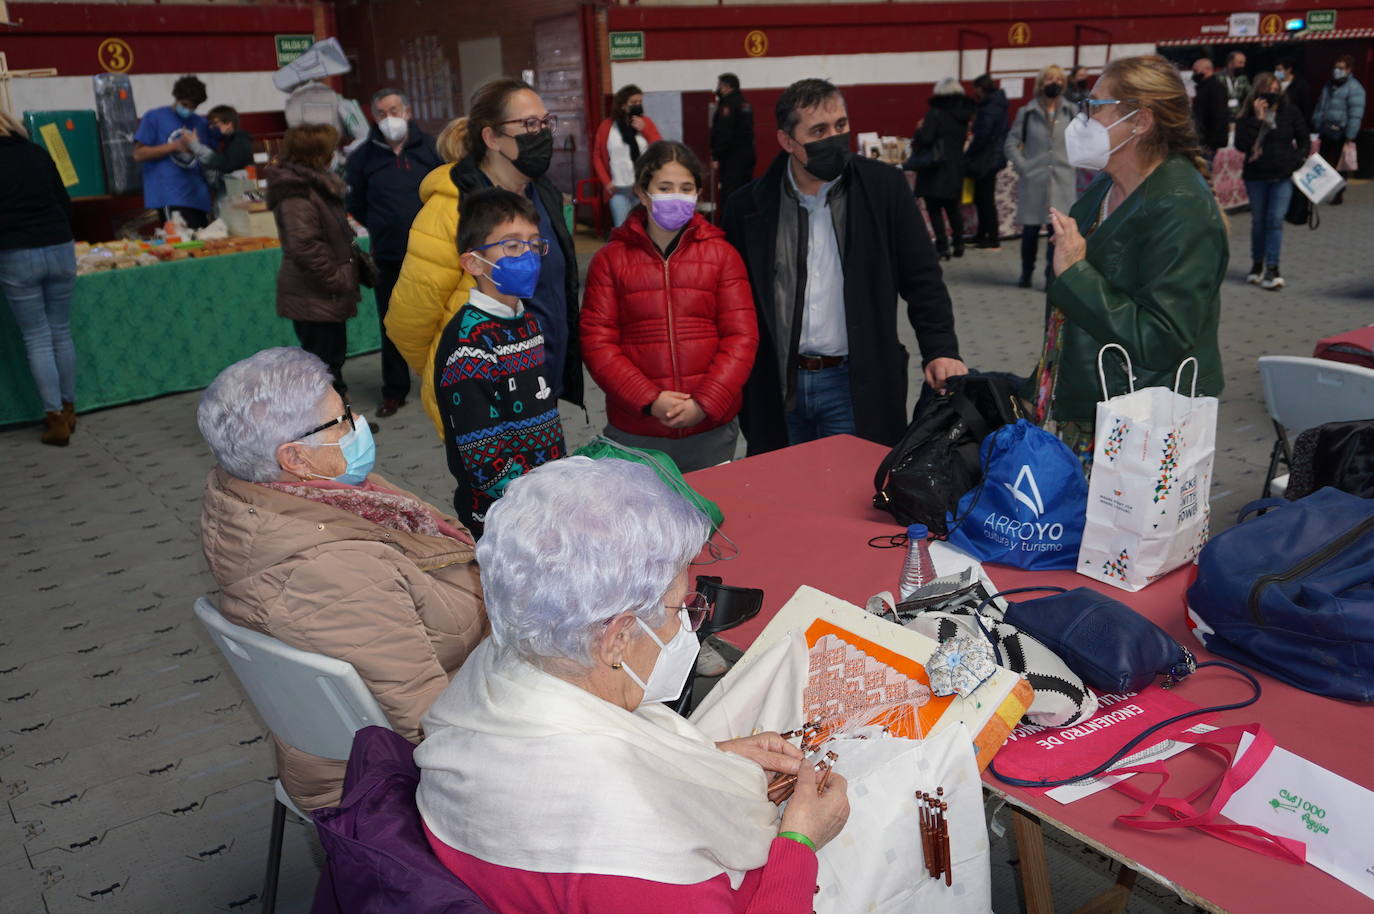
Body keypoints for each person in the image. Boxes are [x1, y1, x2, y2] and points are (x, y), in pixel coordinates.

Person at [416, 457, 850, 913]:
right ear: (618, 638)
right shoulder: (632, 846)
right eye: (681, 607)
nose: (688, 623)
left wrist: (707, 759)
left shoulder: (500, 661)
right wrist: (800, 843)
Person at [197, 347, 485, 812]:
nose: (359, 424)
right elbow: (430, 720)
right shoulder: (330, 573)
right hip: (386, 775)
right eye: (342, 420)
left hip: (436, 688)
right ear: (294, 457)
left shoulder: (274, 496)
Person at [723, 78, 967, 456]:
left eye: (840, 126)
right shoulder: (747, 208)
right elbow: (728, 301)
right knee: (783, 500)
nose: (834, 138)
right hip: (777, 389)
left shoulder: (884, 188)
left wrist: (941, 349)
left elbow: (922, 278)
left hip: (855, 383)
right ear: (787, 141)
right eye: (819, 130)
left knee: (854, 499)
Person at [1035, 54, 1227, 466]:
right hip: (1091, 403)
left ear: (1140, 122)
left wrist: (1075, 274)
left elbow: (1162, 337)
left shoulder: (1180, 208)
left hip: (1139, 426)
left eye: (1095, 107)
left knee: (1119, 532)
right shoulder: (1104, 189)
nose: (1081, 119)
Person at [388, 77, 582, 440]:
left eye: (545, 123)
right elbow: (407, 319)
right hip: (483, 401)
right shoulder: (451, 209)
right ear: (491, 138)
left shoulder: (543, 195)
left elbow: (556, 289)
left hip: (541, 384)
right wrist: (445, 370)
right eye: (528, 125)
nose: (541, 134)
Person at [582, 140, 758, 473]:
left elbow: (741, 338)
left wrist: (705, 402)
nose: (676, 196)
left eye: (686, 188)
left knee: (710, 516)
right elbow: (598, 343)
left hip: (710, 428)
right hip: (637, 429)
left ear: (697, 194)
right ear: (643, 193)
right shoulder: (609, 261)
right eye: (665, 187)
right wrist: (648, 399)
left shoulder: (723, 256)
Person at [433, 187, 567, 535]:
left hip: (546, 501)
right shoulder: (469, 344)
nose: (528, 256)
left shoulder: (527, 321)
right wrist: (541, 499)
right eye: (511, 245)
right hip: (505, 517)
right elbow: (483, 461)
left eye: (534, 244)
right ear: (473, 262)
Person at [346, 88, 443, 419]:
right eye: (382, 113)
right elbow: (355, 203)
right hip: (387, 253)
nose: (390, 118)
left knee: (439, 319)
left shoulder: (432, 150)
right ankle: (394, 390)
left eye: (395, 110)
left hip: (433, 251)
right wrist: (380, 223)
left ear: (408, 111)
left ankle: (445, 383)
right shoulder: (362, 158)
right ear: (374, 117)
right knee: (393, 324)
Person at [0, 108, 78, 446]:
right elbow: (64, 200)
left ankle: (55, 419)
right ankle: (71, 407)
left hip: (16, 252)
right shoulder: (37, 152)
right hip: (60, 245)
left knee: (37, 338)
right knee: (61, 331)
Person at [266, 124, 360, 393]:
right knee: (323, 367)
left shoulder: (314, 186)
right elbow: (304, 245)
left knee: (330, 363)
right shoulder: (297, 193)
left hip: (321, 293)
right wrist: (337, 278)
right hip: (314, 293)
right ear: (317, 154)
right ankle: (334, 426)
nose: (336, 154)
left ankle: (339, 421)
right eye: (331, 149)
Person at [1005, 65, 1078, 288]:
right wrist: (1023, 166)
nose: (1053, 83)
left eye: (1058, 79)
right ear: (1040, 83)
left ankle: (1051, 276)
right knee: (1030, 229)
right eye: (1049, 79)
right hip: (1034, 179)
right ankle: (1026, 273)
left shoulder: (1072, 112)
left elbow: (1083, 142)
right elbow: (1010, 144)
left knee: (1057, 231)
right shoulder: (1026, 113)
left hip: (1063, 179)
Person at [1235, 74, 1307, 291]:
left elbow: (1304, 138)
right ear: (1257, 93)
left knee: (1275, 220)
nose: (1272, 94)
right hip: (1256, 175)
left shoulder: (1290, 112)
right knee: (1259, 221)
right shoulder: (1247, 115)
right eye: (1267, 90)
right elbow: (1242, 145)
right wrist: (1257, 119)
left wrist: (1296, 159)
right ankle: (1257, 264)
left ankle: (1273, 268)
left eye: (1276, 90)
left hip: (1282, 174)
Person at [132, 75, 215, 229]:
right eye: (185, 105)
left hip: (198, 196)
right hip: (171, 194)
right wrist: (174, 146)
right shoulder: (154, 117)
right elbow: (138, 154)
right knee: (183, 244)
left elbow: (210, 159)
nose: (188, 110)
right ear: (176, 98)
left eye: (193, 107)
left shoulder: (201, 123)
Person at [910, 77, 975, 259]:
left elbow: (927, 138)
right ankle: (959, 244)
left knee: (934, 208)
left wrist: (919, 129)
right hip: (955, 166)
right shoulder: (964, 114)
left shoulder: (936, 113)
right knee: (953, 208)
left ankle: (942, 246)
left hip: (935, 168)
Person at [594, 84, 664, 227]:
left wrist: (645, 130)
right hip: (618, 188)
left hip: (643, 186)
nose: (638, 105)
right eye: (633, 103)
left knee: (645, 228)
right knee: (622, 228)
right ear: (622, 105)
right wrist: (606, 181)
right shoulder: (607, 126)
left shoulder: (646, 123)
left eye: (640, 102)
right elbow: (597, 157)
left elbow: (660, 149)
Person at [1313, 55, 1366, 207]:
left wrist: (1350, 135)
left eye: (1341, 68)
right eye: (1336, 67)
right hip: (1325, 129)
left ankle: (1339, 192)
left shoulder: (1355, 88)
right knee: (1322, 162)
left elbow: (1356, 113)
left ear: (1349, 70)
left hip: (1341, 132)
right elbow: (1320, 105)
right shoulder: (1329, 85)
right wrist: (1317, 121)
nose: (1337, 71)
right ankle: (1317, 191)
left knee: (1340, 165)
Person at [965, 74, 1009, 250]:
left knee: (984, 199)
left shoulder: (989, 108)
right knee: (983, 198)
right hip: (993, 156)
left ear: (981, 89)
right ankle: (983, 234)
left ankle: (991, 237)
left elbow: (982, 135)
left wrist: (969, 154)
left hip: (986, 158)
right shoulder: (998, 105)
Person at [710, 73, 756, 221]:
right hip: (747, 157)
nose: (717, 88)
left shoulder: (728, 105)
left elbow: (724, 132)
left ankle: (730, 229)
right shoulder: (745, 103)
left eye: (719, 85)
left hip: (732, 160)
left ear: (726, 87)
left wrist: (716, 155)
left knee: (730, 195)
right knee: (745, 193)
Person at [186, 105, 255, 200]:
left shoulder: (240, 140)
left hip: (239, 200)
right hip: (235, 198)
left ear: (229, 124)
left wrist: (196, 147)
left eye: (214, 123)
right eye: (209, 124)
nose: (211, 127)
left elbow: (226, 165)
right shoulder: (229, 143)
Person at [1191, 58, 1230, 164]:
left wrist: (1211, 143)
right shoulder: (1205, 87)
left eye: (1196, 71)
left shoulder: (1215, 88)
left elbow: (1219, 116)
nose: (1194, 74)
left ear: (1207, 69)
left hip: (1207, 142)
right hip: (1203, 140)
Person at [1274, 57, 1313, 127]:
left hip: (1293, 122)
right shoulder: (1274, 83)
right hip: (1277, 121)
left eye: (1279, 69)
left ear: (1288, 70)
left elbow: (1305, 107)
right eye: (1276, 69)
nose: (1276, 72)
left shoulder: (1300, 84)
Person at [1221, 51, 1252, 124]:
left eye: (1244, 63)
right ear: (1230, 63)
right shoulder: (1218, 78)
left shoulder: (1243, 79)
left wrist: (1243, 111)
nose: (1243, 66)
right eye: (1240, 63)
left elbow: (1249, 96)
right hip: (1223, 117)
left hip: (1239, 116)